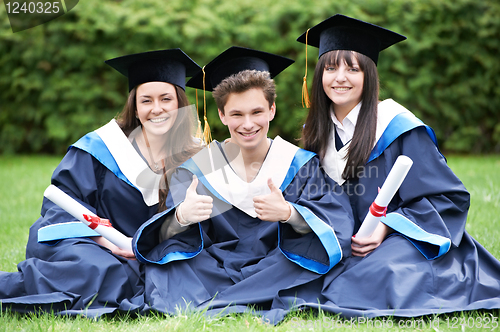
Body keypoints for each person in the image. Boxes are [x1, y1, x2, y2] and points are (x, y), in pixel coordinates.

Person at [269, 14, 500, 319]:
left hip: (402, 240)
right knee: (289, 271)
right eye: (330, 67)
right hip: (343, 244)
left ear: (369, 74)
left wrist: (387, 226)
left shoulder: (398, 127)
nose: (340, 77)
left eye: (352, 68)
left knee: (378, 275)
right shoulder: (316, 135)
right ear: (319, 76)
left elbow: (446, 198)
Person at [131, 46, 354, 321]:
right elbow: (164, 237)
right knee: (169, 260)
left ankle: (215, 301)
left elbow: (336, 223)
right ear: (222, 116)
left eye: (257, 112)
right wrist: (180, 218)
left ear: (272, 110)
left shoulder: (300, 164)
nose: (248, 124)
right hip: (216, 267)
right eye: (236, 114)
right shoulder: (198, 169)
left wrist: (290, 214)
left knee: (308, 256)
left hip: (277, 263)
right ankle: (255, 296)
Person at [0, 49, 201, 316]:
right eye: (146, 100)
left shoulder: (195, 154)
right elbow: (62, 207)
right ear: (135, 107)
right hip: (93, 245)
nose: (157, 109)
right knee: (105, 272)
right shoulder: (102, 147)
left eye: (166, 99)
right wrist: (106, 241)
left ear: (180, 104)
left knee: (173, 276)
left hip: (151, 254)